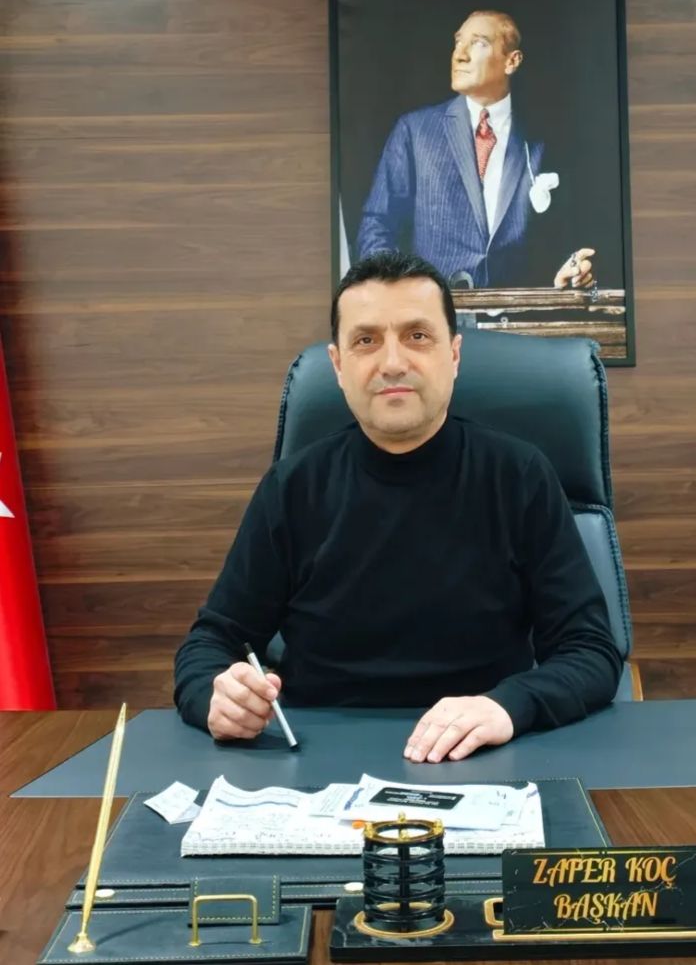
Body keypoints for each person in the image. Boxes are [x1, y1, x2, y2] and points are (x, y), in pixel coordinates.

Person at [174, 250, 622, 763]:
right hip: (318, 762)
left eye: (418, 336)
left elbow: (590, 652)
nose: (392, 363)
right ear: (338, 365)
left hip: (482, 757)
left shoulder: (519, 477)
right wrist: (216, 697)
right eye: (366, 341)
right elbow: (210, 644)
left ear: (454, 355)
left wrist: (508, 707)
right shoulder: (292, 488)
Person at [355, 9, 596, 291]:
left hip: (518, 313)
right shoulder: (415, 130)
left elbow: (566, 234)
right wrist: (399, 292)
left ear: (512, 61)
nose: (460, 55)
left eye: (479, 43)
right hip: (435, 313)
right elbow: (377, 225)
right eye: (458, 42)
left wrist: (567, 273)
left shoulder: (546, 138)